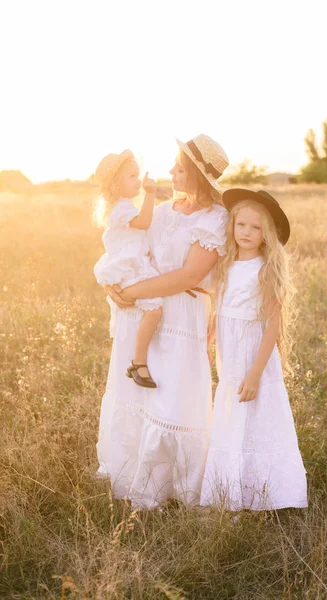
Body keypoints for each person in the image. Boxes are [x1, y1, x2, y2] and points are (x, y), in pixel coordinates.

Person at [97, 134, 230, 509]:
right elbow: (129, 246)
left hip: (181, 317)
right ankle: (134, 479)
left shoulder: (215, 219)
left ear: (200, 178)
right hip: (142, 315)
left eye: (180, 167)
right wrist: (114, 284)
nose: (171, 171)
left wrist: (135, 291)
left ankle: (176, 486)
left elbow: (189, 276)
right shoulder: (165, 210)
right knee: (139, 396)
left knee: (173, 399)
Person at [200, 189, 308, 511]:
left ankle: (266, 493)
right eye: (241, 224)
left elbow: (272, 325)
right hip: (229, 356)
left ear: (266, 235)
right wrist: (209, 336)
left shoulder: (264, 268)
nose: (246, 232)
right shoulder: (226, 263)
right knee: (232, 419)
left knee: (257, 419)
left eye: (255, 228)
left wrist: (256, 373)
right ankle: (229, 493)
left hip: (252, 356)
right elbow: (223, 309)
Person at [93, 149, 162, 388]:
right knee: (154, 311)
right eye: (132, 176)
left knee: (149, 312)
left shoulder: (121, 206)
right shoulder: (123, 207)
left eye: (138, 175)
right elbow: (144, 222)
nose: (138, 181)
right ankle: (138, 361)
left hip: (130, 265)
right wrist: (151, 194)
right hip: (130, 269)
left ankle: (139, 359)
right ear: (115, 184)